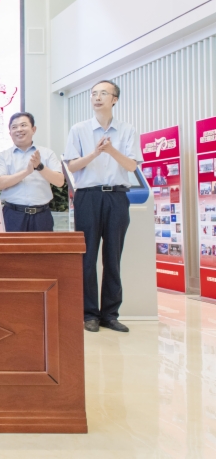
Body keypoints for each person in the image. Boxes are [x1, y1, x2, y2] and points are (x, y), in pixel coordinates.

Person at [63, 80, 142, 334]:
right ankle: (89, 314)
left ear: (114, 99)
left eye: (103, 93)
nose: (97, 98)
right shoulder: (79, 129)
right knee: (87, 257)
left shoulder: (127, 130)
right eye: (94, 94)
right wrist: (96, 153)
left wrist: (111, 150)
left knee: (113, 256)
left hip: (117, 197)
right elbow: (71, 166)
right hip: (88, 197)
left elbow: (132, 166)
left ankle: (110, 314)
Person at [0, 112, 65, 232]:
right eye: (14, 127)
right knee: (12, 245)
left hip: (41, 216)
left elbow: (59, 181)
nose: (19, 130)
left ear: (33, 129)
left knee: (43, 245)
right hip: (13, 215)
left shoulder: (47, 153)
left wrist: (40, 167)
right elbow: (0, 183)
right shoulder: (3, 156)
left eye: (23, 125)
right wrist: (27, 172)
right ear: (10, 133)